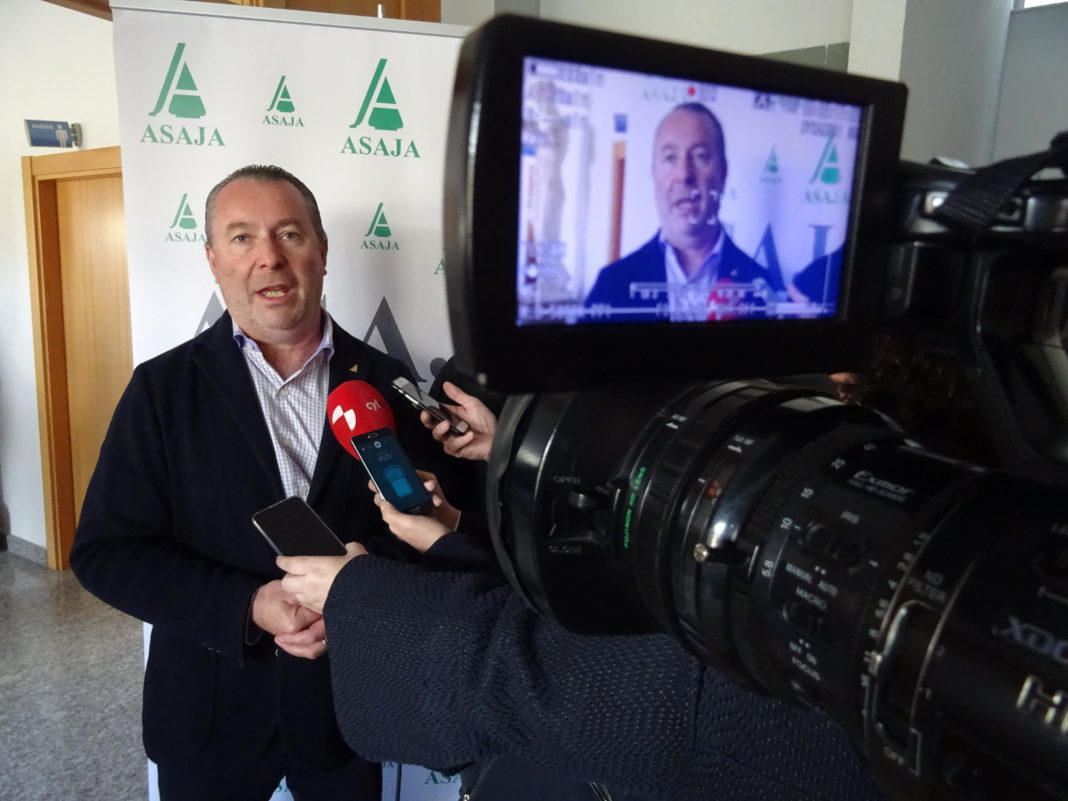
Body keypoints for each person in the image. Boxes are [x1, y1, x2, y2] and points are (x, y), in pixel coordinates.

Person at [278, 383, 886, 801]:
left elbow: (538, 670)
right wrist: (459, 526)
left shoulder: (788, 684)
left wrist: (356, 592)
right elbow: (569, 601)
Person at [70, 164, 447, 801]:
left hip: (347, 712)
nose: (268, 257)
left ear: (321, 252)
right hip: (209, 717)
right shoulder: (161, 391)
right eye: (242, 237)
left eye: (290, 234)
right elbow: (107, 554)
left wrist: (359, 596)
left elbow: (435, 538)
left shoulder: (392, 385)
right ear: (214, 260)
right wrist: (250, 607)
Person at [584, 102, 779, 322]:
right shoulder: (611, 285)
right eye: (670, 158)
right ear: (654, 174)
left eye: (700, 156)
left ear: (723, 174)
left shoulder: (762, 287)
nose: (684, 174)